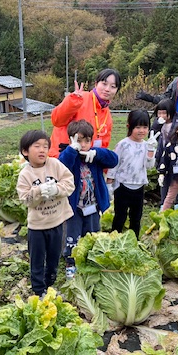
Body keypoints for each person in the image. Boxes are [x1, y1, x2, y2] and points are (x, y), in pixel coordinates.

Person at [17, 130, 75, 296]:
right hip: (37, 226)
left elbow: (69, 183)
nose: (42, 150)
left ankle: (49, 285)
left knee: (53, 258)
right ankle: (38, 290)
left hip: (57, 222)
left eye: (45, 146)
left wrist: (57, 189)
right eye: (37, 146)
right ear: (25, 151)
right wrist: (38, 191)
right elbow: (25, 199)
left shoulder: (55, 164)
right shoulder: (25, 174)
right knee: (37, 260)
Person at [58, 120, 118, 280]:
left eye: (87, 140)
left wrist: (97, 153)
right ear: (71, 140)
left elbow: (114, 160)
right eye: (79, 140)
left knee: (92, 233)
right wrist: (72, 150)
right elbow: (61, 165)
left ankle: (89, 260)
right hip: (74, 207)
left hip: (92, 205)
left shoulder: (94, 157)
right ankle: (71, 263)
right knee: (73, 236)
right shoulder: (69, 155)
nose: (83, 145)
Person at [106, 110, 159, 238]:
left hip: (139, 186)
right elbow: (114, 163)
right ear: (129, 127)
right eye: (138, 127)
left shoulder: (147, 145)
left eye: (145, 127)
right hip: (122, 185)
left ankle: (134, 240)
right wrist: (109, 183)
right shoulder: (123, 144)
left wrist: (151, 150)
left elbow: (149, 166)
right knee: (120, 216)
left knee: (136, 217)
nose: (141, 131)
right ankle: (115, 238)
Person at [49, 68, 121, 158]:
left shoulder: (107, 115)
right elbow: (57, 121)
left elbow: (103, 144)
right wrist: (73, 101)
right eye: (104, 84)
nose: (107, 89)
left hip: (84, 161)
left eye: (113, 86)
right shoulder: (79, 98)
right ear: (96, 84)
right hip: (61, 157)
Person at [151, 98, 178, 205]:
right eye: (159, 113)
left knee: (177, 179)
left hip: (176, 157)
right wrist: (157, 125)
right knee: (163, 179)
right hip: (162, 156)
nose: (161, 115)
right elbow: (152, 135)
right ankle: (164, 203)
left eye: (164, 113)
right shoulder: (157, 123)